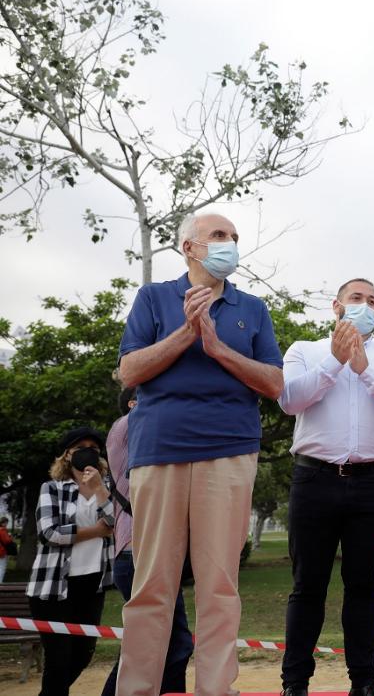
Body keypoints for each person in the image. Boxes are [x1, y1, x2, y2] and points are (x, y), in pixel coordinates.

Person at [117, 211, 284, 696]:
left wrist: (217, 347)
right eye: (218, 235)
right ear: (189, 247)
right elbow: (129, 370)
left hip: (229, 453)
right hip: (159, 451)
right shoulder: (154, 298)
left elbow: (274, 383)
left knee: (219, 585)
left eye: (234, 236)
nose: (229, 243)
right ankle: (137, 689)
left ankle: (216, 689)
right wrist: (185, 334)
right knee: (152, 585)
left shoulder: (252, 308)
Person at [277, 278, 374, 696]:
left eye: (373, 301)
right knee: (308, 586)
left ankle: (364, 682)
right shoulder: (304, 350)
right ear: (337, 306)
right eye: (357, 298)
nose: (365, 306)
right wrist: (334, 360)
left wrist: (362, 367)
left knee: (363, 588)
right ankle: (295, 683)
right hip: (314, 478)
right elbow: (289, 400)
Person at [102, 388, 193, 696]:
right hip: (137, 554)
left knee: (149, 645)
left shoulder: (143, 436)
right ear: (133, 403)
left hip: (147, 554)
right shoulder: (126, 426)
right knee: (171, 644)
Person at [26, 427, 115, 696]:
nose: (88, 451)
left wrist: (100, 489)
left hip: (92, 584)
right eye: (81, 447)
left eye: (94, 447)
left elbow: (119, 523)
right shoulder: (52, 488)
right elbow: (49, 533)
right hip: (53, 587)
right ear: (67, 455)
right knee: (59, 658)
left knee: (83, 655)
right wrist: (96, 532)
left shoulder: (108, 488)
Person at [0, 515, 16, 583]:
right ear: (3, 523)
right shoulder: (2, 530)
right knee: (2, 567)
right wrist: (11, 538)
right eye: (6, 523)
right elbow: (7, 541)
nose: (6, 524)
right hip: (2, 551)